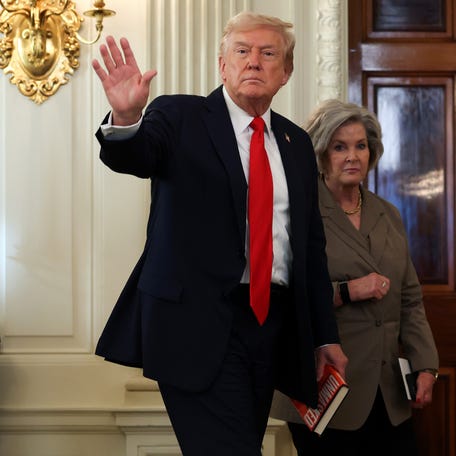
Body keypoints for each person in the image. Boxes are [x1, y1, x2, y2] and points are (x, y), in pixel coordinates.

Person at [92, 11, 347, 456]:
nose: (254, 62)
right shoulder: (180, 115)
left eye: (268, 54)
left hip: (271, 327)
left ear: (285, 73)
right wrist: (126, 117)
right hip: (195, 326)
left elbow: (309, 249)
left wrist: (325, 336)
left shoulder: (296, 144)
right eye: (242, 51)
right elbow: (135, 156)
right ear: (221, 65)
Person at [270, 99, 439, 455]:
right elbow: (282, 293)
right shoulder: (297, 209)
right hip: (326, 387)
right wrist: (348, 291)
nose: (352, 156)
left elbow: (410, 298)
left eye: (360, 146)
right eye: (339, 146)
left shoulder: (387, 213)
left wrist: (425, 364)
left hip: (388, 391)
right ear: (320, 153)